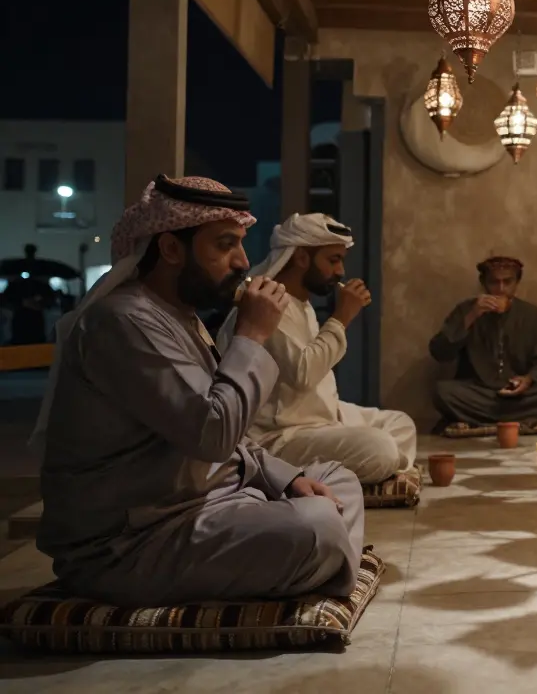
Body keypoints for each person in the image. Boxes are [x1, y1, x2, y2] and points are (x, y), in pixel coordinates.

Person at [31, 175, 365, 607]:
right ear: (171, 248)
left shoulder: (178, 316)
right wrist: (251, 336)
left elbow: (230, 437)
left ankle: (320, 564)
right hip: (135, 539)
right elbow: (213, 434)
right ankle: (322, 561)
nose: (244, 262)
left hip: (210, 502)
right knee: (316, 526)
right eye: (226, 245)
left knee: (337, 482)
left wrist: (291, 478)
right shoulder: (123, 322)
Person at [216, 213, 417, 485]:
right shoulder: (267, 304)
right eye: (333, 260)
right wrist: (342, 317)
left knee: (401, 424)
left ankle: (371, 473)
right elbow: (303, 373)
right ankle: (350, 477)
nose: (341, 272)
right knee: (379, 448)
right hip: (281, 434)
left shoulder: (301, 303)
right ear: (301, 258)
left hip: (321, 416)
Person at [430, 256, 537, 434]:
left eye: (507, 282)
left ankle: (485, 423)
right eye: (494, 282)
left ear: (517, 282)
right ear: (483, 282)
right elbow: (439, 352)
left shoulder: (532, 314)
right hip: (480, 394)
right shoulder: (467, 309)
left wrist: (527, 380)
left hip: (522, 396)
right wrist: (472, 316)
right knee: (441, 392)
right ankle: (523, 421)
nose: (501, 289)